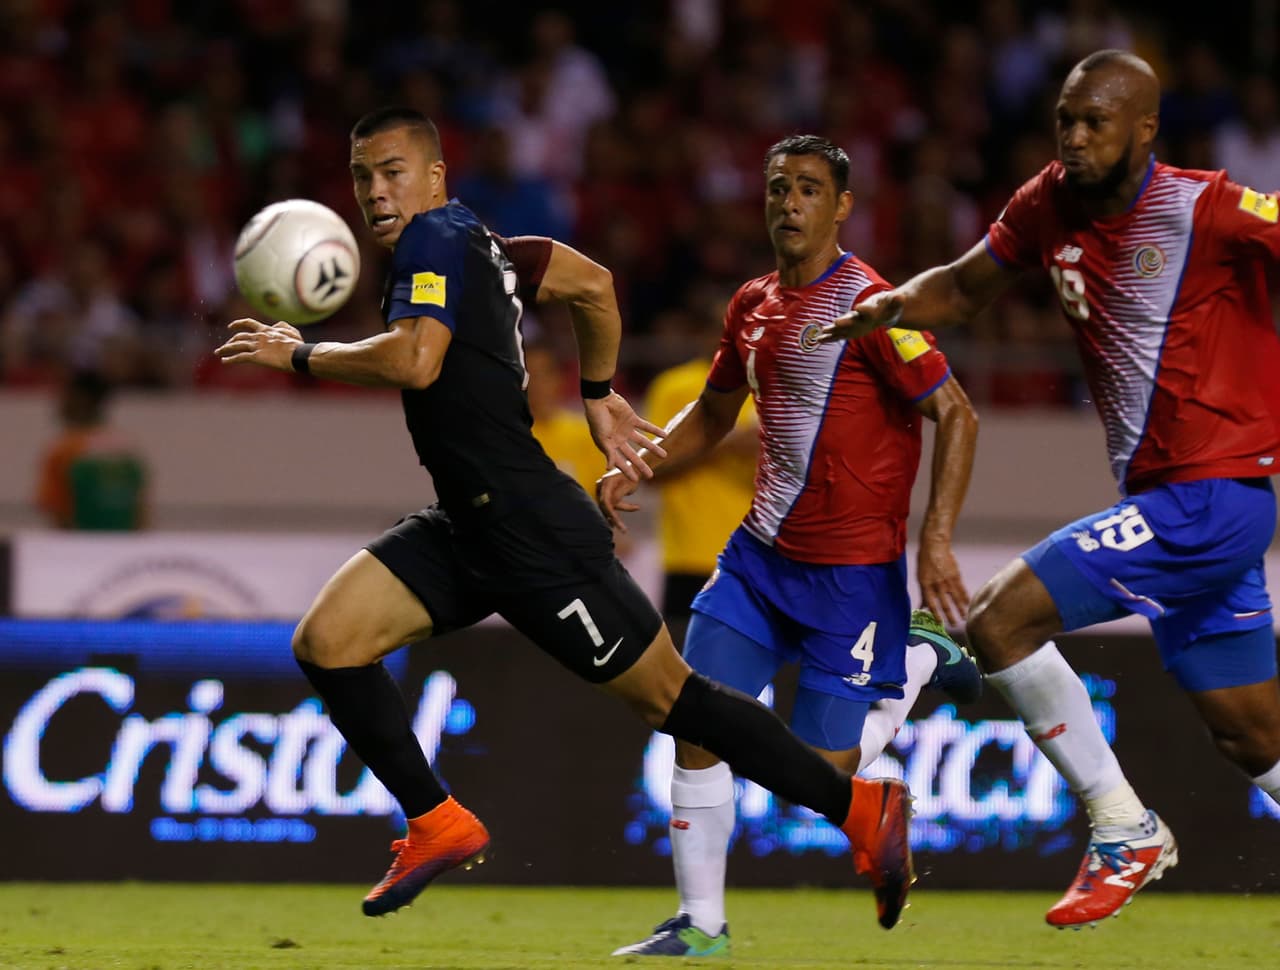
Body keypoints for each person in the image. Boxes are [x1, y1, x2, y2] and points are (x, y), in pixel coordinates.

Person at [214, 106, 914, 928]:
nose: (374, 190)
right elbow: (593, 285)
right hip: (466, 526)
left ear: (436, 177)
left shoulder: (434, 240)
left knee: (672, 703)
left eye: (392, 170)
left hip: (531, 528)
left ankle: (859, 810)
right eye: (362, 175)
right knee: (328, 642)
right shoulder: (484, 243)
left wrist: (297, 351)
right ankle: (437, 822)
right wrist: (597, 392)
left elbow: (415, 357)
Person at [824, 49, 1280, 928]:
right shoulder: (1046, 203)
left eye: (1094, 122)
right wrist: (889, 306)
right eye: (1065, 118)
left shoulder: (1207, 206)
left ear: (1144, 129)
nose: (1072, 136)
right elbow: (963, 288)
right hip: (1174, 499)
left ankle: (1124, 829)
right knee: (1251, 736)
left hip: (1210, 497)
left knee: (997, 620)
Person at [600, 135, 981, 957]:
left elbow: (958, 414)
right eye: (778, 188)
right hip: (757, 561)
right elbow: (710, 415)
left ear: (842, 206)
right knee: (693, 720)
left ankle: (917, 660)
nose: (790, 203)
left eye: (809, 189)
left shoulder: (877, 307)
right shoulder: (752, 305)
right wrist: (638, 464)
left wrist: (937, 544)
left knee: (821, 774)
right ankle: (700, 925)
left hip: (852, 580)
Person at [643, 302, 757, 624]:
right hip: (690, 557)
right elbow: (650, 470)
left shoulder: (769, 388)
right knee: (683, 666)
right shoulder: (676, 386)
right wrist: (724, 445)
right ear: (706, 335)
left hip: (757, 558)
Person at [35, 370, 148, 530]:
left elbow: (58, 514)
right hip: (125, 547)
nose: (59, 402)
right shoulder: (126, 448)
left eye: (64, 395)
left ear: (82, 399)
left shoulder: (64, 450)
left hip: (80, 547)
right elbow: (141, 514)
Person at [524, 340, 604, 497]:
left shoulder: (586, 433)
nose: (537, 384)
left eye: (544, 374)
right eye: (529, 375)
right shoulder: (508, 436)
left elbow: (602, 493)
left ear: (559, 378)